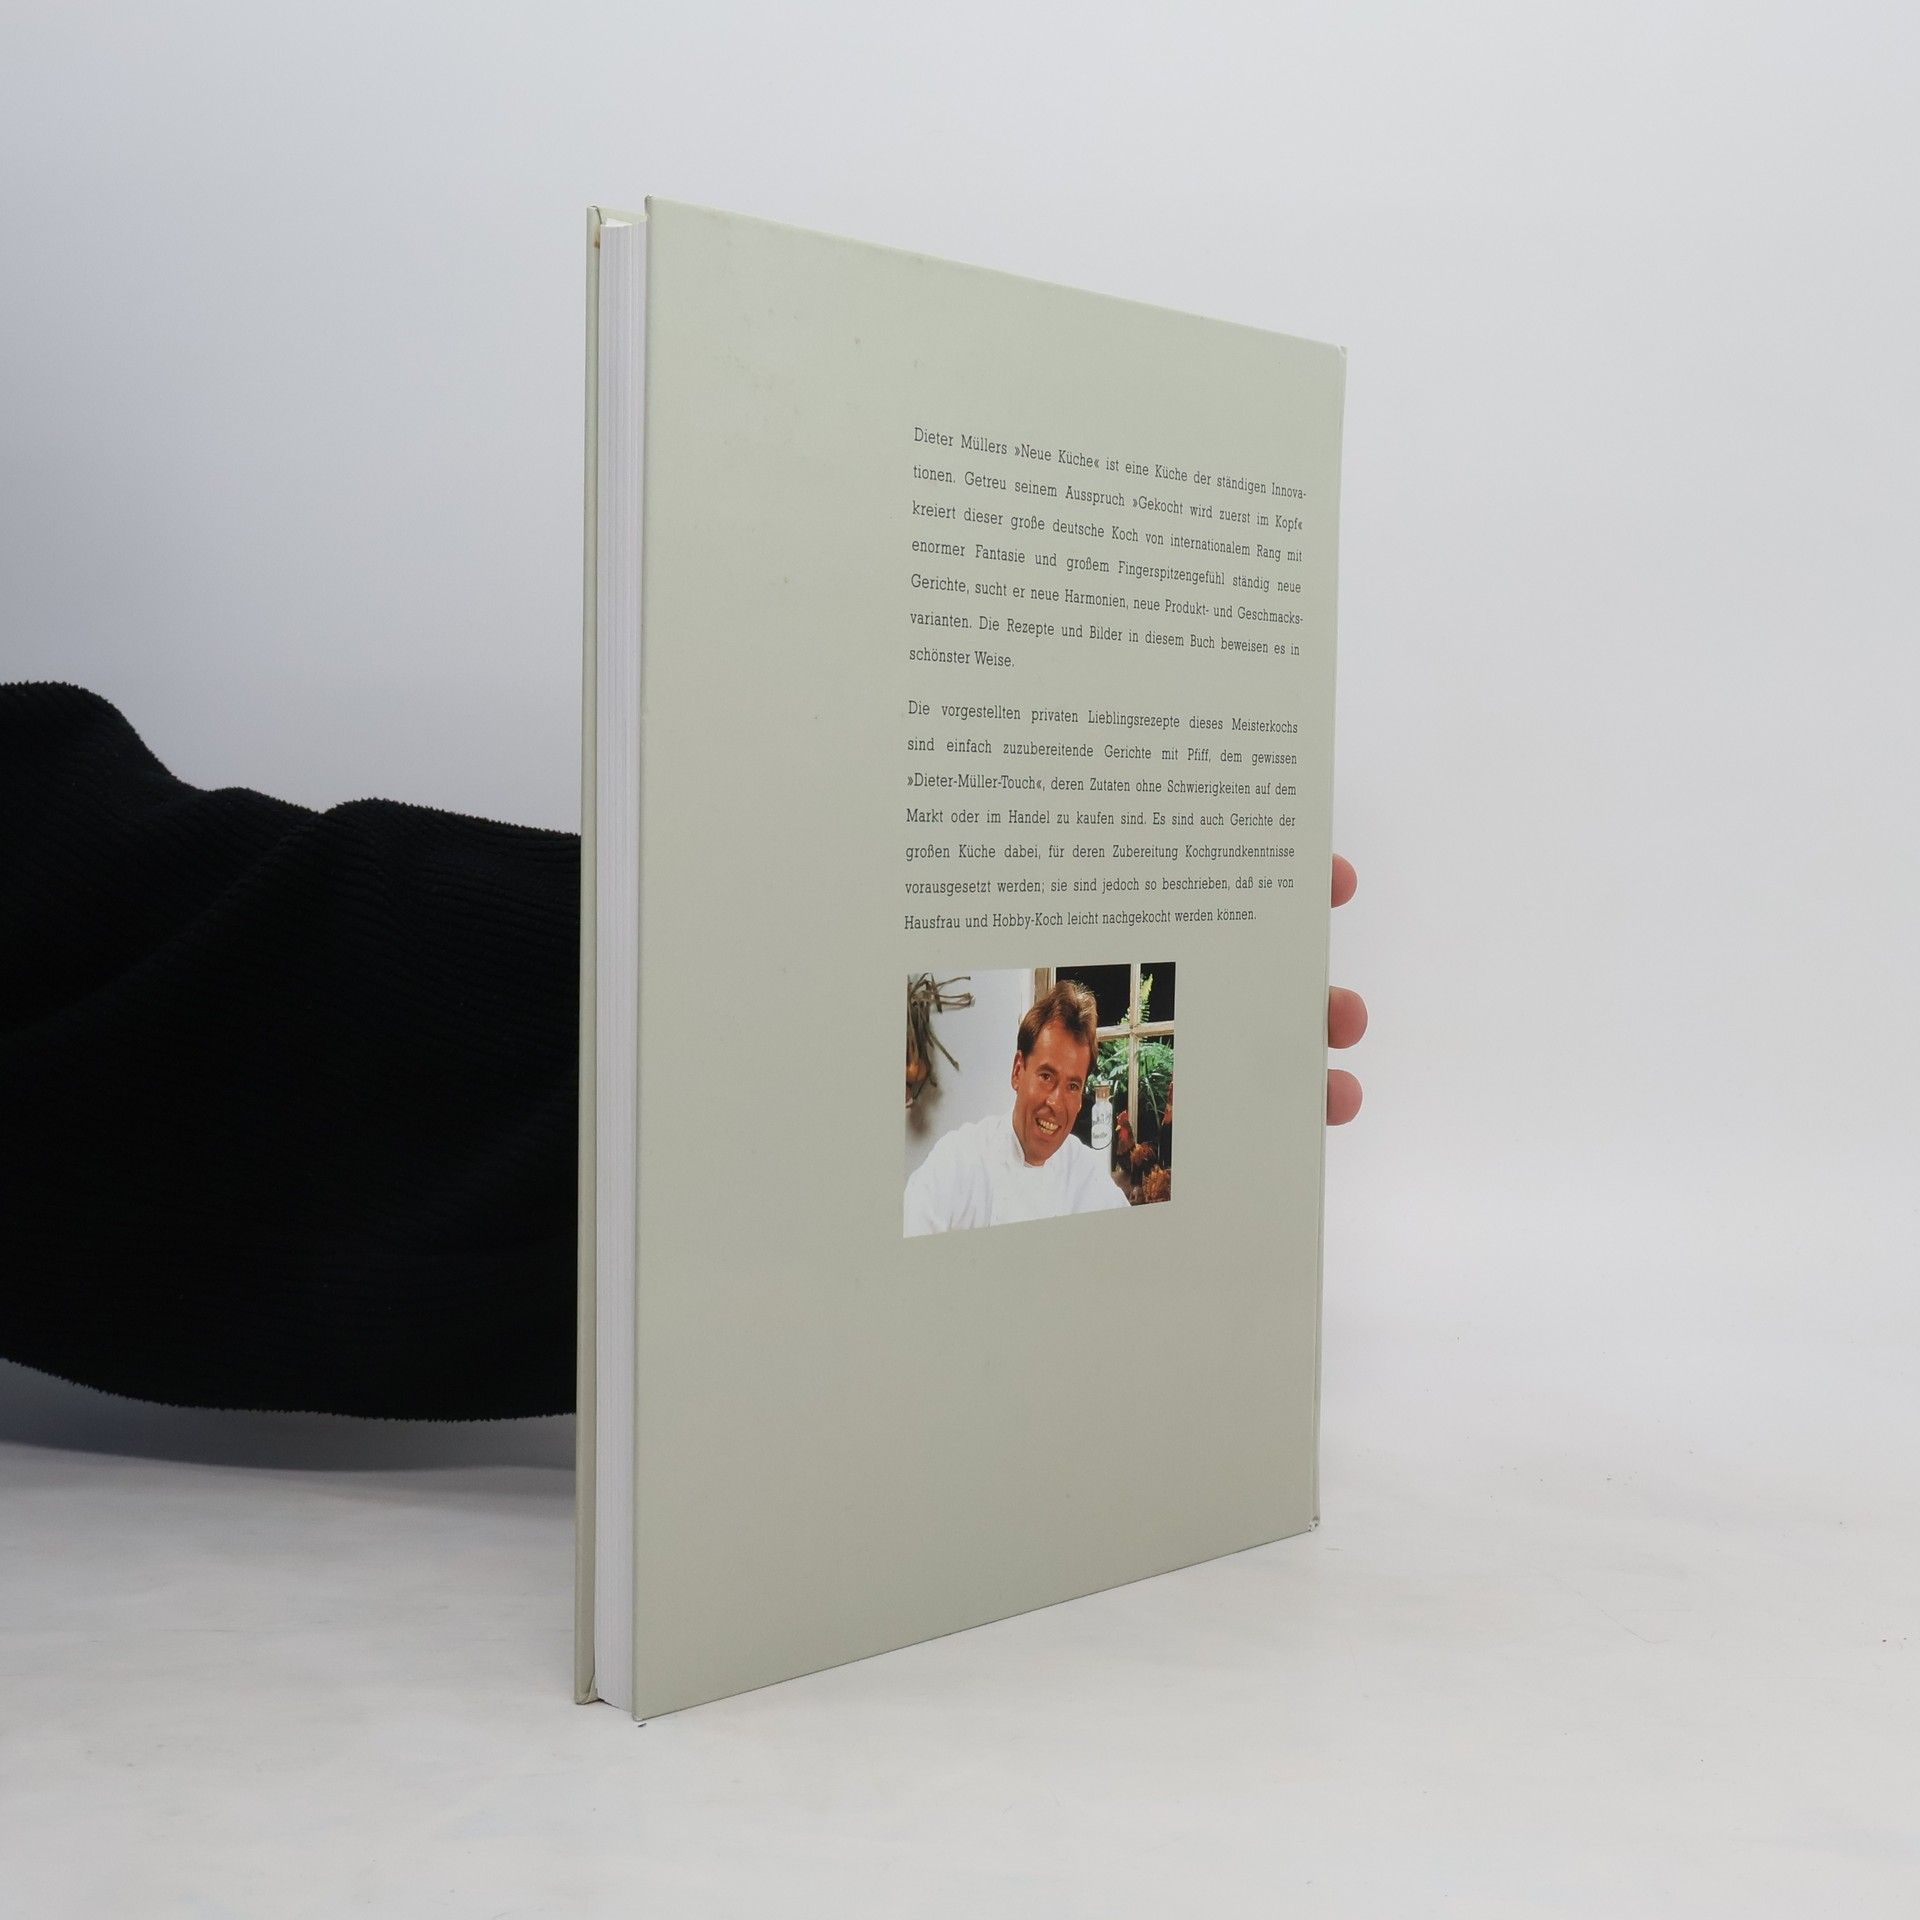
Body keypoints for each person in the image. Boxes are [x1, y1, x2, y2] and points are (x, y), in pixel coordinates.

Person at [0, 685, 1365, 1414]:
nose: (1061, 1102)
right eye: (1048, 1075)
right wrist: (763, 1015)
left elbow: (133, 920)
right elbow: (183, 977)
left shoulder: (1088, 1185)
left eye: (1078, 1083)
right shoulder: (946, 1162)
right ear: (1012, 1069)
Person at [904, 980, 1131, 1236]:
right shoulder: (957, 1162)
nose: (1056, 1103)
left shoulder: (1088, 1177)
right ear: (1017, 1071)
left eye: (1072, 1086)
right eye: (1046, 1076)